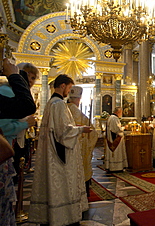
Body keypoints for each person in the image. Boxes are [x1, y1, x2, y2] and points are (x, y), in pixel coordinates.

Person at [29, 74, 92, 226]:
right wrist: (81, 129)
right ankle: (64, 216)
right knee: (64, 187)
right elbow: (63, 132)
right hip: (61, 156)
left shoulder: (51, 103)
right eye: (69, 88)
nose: (68, 92)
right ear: (62, 86)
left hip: (55, 152)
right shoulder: (58, 104)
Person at [0, 58, 36, 226]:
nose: (30, 82)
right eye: (27, 77)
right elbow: (4, 126)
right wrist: (24, 124)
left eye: (33, 78)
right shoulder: (7, 91)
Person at [67, 86, 98, 193]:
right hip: (79, 144)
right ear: (78, 99)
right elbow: (92, 131)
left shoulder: (64, 108)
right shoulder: (76, 111)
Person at [105, 107, 128, 171]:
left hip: (111, 138)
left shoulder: (111, 117)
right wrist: (124, 127)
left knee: (115, 154)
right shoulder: (114, 118)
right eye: (121, 112)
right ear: (118, 112)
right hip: (115, 139)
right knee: (116, 154)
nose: (121, 114)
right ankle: (116, 167)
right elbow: (117, 129)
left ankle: (113, 167)